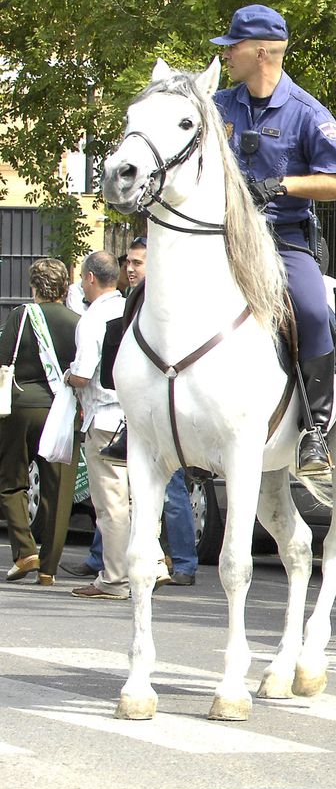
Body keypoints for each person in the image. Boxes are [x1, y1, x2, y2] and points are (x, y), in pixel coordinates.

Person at [211, 4, 336, 475]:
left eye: (232, 46)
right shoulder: (219, 106)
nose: (226, 54)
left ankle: (314, 430)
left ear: (259, 52)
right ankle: (142, 413)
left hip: (281, 239)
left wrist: (283, 185)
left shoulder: (307, 113)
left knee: (314, 311)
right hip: (220, 236)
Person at [68, 236, 197, 586]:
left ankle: (171, 564)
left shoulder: (166, 308)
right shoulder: (128, 305)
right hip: (129, 412)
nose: (131, 268)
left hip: (155, 414)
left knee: (156, 494)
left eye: (139, 263)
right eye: (130, 262)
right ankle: (121, 559)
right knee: (129, 495)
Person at [0, 259, 78, 586]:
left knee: (11, 480)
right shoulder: (78, 321)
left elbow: (4, 359)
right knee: (58, 490)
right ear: (65, 286)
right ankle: (48, 570)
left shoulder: (20, 316)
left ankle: (25, 549)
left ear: (35, 286)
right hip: (60, 410)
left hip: (21, 406)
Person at [64, 253, 131, 599]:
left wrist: (67, 375)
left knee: (111, 504)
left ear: (89, 278)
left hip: (104, 419)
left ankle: (115, 578)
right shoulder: (132, 310)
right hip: (139, 417)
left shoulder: (93, 319)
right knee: (139, 500)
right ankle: (152, 567)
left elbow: (83, 373)